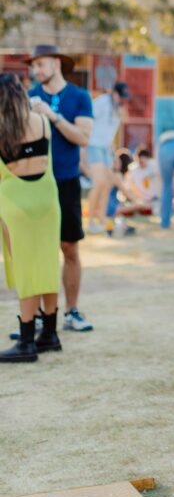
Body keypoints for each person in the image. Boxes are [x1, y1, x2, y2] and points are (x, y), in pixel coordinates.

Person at [26, 44, 94, 333]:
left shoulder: (79, 97)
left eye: (41, 64)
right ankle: (41, 315)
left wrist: (53, 117)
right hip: (34, 182)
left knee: (70, 248)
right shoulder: (29, 96)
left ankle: (72, 311)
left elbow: (82, 138)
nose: (36, 70)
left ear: (56, 63)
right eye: (34, 66)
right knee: (38, 251)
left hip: (66, 180)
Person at [0, 73, 62, 362]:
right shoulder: (42, 123)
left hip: (17, 205)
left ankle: (26, 341)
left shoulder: (2, 131)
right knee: (48, 264)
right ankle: (49, 333)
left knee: (26, 267)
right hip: (48, 201)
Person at [86, 80, 129, 233]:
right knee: (99, 183)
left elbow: (110, 134)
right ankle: (90, 222)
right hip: (93, 145)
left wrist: (114, 154)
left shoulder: (118, 109)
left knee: (107, 184)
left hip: (106, 149)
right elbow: (88, 119)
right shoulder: (102, 102)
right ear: (114, 93)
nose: (122, 99)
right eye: (120, 96)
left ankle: (101, 220)